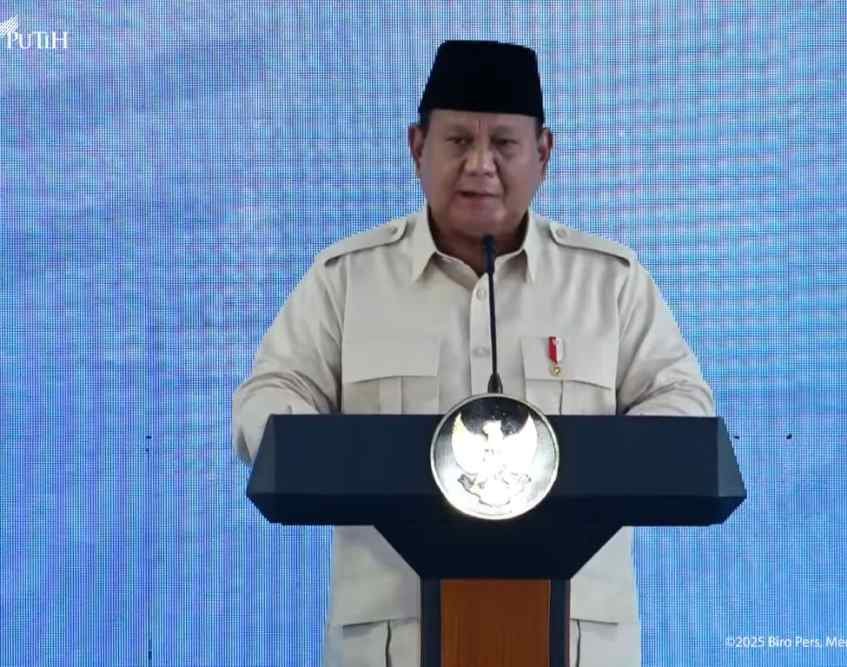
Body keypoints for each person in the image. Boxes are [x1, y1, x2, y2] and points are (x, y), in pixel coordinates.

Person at [232, 39, 714, 667]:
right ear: (417, 147)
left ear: (544, 153)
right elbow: (270, 394)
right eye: (458, 141)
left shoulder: (609, 282)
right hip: (394, 644)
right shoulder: (347, 280)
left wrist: (599, 459)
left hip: (571, 641)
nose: (480, 165)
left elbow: (681, 402)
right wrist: (324, 451)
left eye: (504, 144)